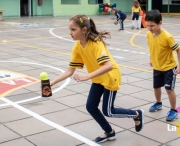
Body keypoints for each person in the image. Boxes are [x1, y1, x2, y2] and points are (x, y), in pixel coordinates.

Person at [50, 14, 144, 143]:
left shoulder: (96, 43)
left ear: (83, 30)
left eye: (73, 30)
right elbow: (70, 71)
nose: (70, 33)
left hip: (110, 77)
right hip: (98, 79)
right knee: (91, 107)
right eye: (70, 29)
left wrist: (87, 76)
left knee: (108, 111)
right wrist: (53, 82)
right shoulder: (77, 46)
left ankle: (137, 114)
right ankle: (109, 132)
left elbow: (109, 66)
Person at [145, 10, 180, 121]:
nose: (150, 28)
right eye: (148, 25)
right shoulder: (149, 35)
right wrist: (151, 59)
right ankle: (158, 103)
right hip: (157, 67)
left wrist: (179, 66)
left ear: (160, 23)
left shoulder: (167, 37)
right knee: (156, 87)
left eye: (152, 26)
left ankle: (174, 110)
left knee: (169, 89)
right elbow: (151, 47)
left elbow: (178, 50)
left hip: (169, 67)